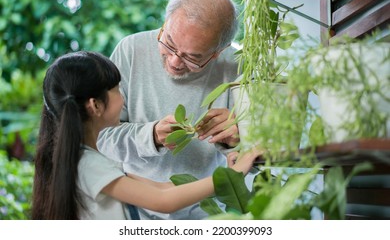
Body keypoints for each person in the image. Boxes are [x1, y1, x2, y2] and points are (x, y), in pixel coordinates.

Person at [31, 51, 260, 220]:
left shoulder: (90, 158)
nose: (122, 96)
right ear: (95, 106)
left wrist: (228, 174)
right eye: (117, 89)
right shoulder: (87, 164)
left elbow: (160, 189)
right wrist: (234, 175)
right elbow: (162, 202)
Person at [97, 0, 243, 220]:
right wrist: (151, 136)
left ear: (219, 52)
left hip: (206, 214)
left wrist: (237, 138)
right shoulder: (130, 50)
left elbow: (256, 158)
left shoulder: (237, 67)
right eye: (169, 44)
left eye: (193, 57)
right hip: (130, 210)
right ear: (165, 22)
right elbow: (100, 137)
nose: (175, 62)